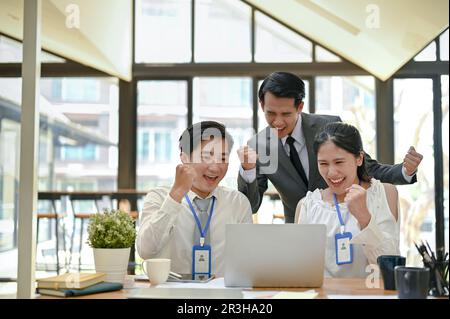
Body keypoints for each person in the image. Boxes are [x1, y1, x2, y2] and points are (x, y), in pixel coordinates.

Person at [237, 71, 423, 223]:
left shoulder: (328, 127)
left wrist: (404, 171)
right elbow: (251, 206)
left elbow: (368, 168)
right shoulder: (260, 146)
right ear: (262, 105)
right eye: (270, 113)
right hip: (299, 230)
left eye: (285, 114)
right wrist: (248, 171)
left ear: (300, 106)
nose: (277, 122)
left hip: (341, 220)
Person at [137, 121, 253, 278]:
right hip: (171, 293)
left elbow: (247, 262)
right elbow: (145, 251)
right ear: (185, 158)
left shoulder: (237, 203)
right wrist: (176, 196)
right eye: (207, 156)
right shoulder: (159, 197)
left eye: (223, 158)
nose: (215, 167)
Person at [295, 122, 400, 278]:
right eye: (323, 163)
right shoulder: (308, 205)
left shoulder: (384, 193)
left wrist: (365, 218)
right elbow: (299, 271)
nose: (331, 173)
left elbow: (390, 268)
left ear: (359, 158)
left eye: (339, 162)